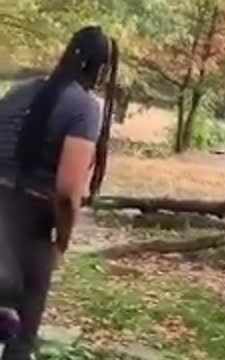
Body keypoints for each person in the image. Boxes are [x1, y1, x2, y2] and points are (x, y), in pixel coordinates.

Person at [0, 25, 119, 359]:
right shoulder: (84, 107)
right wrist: (62, 242)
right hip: (30, 227)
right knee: (21, 335)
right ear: (101, 68)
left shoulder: (19, 90)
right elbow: (67, 191)